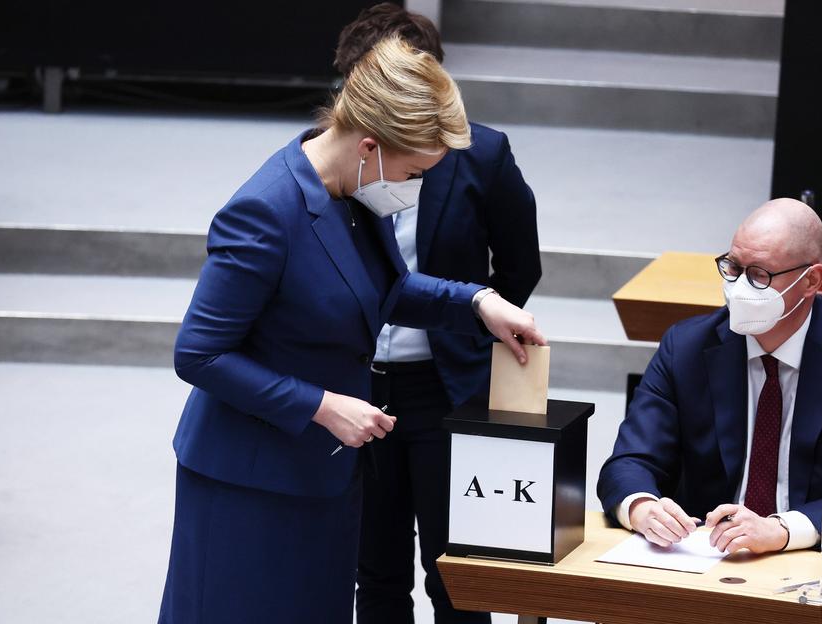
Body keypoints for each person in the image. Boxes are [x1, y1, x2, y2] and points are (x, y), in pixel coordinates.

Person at [158, 36, 545, 624]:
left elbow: (384, 289)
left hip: (323, 473)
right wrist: (319, 405)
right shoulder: (265, 212)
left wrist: (477, 302)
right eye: (416, 172)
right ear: (370, 146)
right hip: (251, 479)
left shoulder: (353, 191)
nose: (415, 189)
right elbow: (200, 354)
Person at [334, 5, 541, 624]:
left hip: (446, 387)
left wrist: (472, 329)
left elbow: (518, 267)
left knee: (456, 574)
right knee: (375, 573)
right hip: (355, 387)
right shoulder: (334, 160)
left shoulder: (482, 154)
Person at [598, 198, 822, 554]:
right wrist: (642, 507)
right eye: (733, 267)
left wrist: (781, 530)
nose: (739, 287)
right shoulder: (686, 347)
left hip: (813, 563)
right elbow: (629, 461)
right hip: (705, 558)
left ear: (811, 280)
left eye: (759, 275)